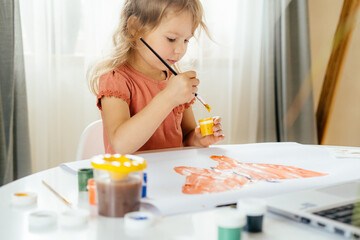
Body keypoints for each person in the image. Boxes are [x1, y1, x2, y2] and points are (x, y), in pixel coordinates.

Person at [87, 0, 225, 154]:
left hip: (170, 172)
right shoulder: (116, 79)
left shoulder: (174, 80)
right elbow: (121, 145)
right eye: (171, 39)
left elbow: (186, 136)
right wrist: (168, 97)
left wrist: (198, 139)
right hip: (130, 177)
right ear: (136, 27)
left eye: (186, 40)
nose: (180, 49)